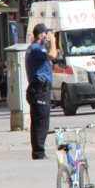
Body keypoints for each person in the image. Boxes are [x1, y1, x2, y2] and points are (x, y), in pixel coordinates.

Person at [25, 23, 58, 160]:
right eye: (46, 33)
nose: (48, 36)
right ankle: (39, 153)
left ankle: (38, 151)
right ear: (40, 35)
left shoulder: (35, 48)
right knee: (41, 122)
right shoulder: (37, 48)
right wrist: (53, 42)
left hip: (38, 88)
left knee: (39, 120)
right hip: (39, 89)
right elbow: (53, 55)